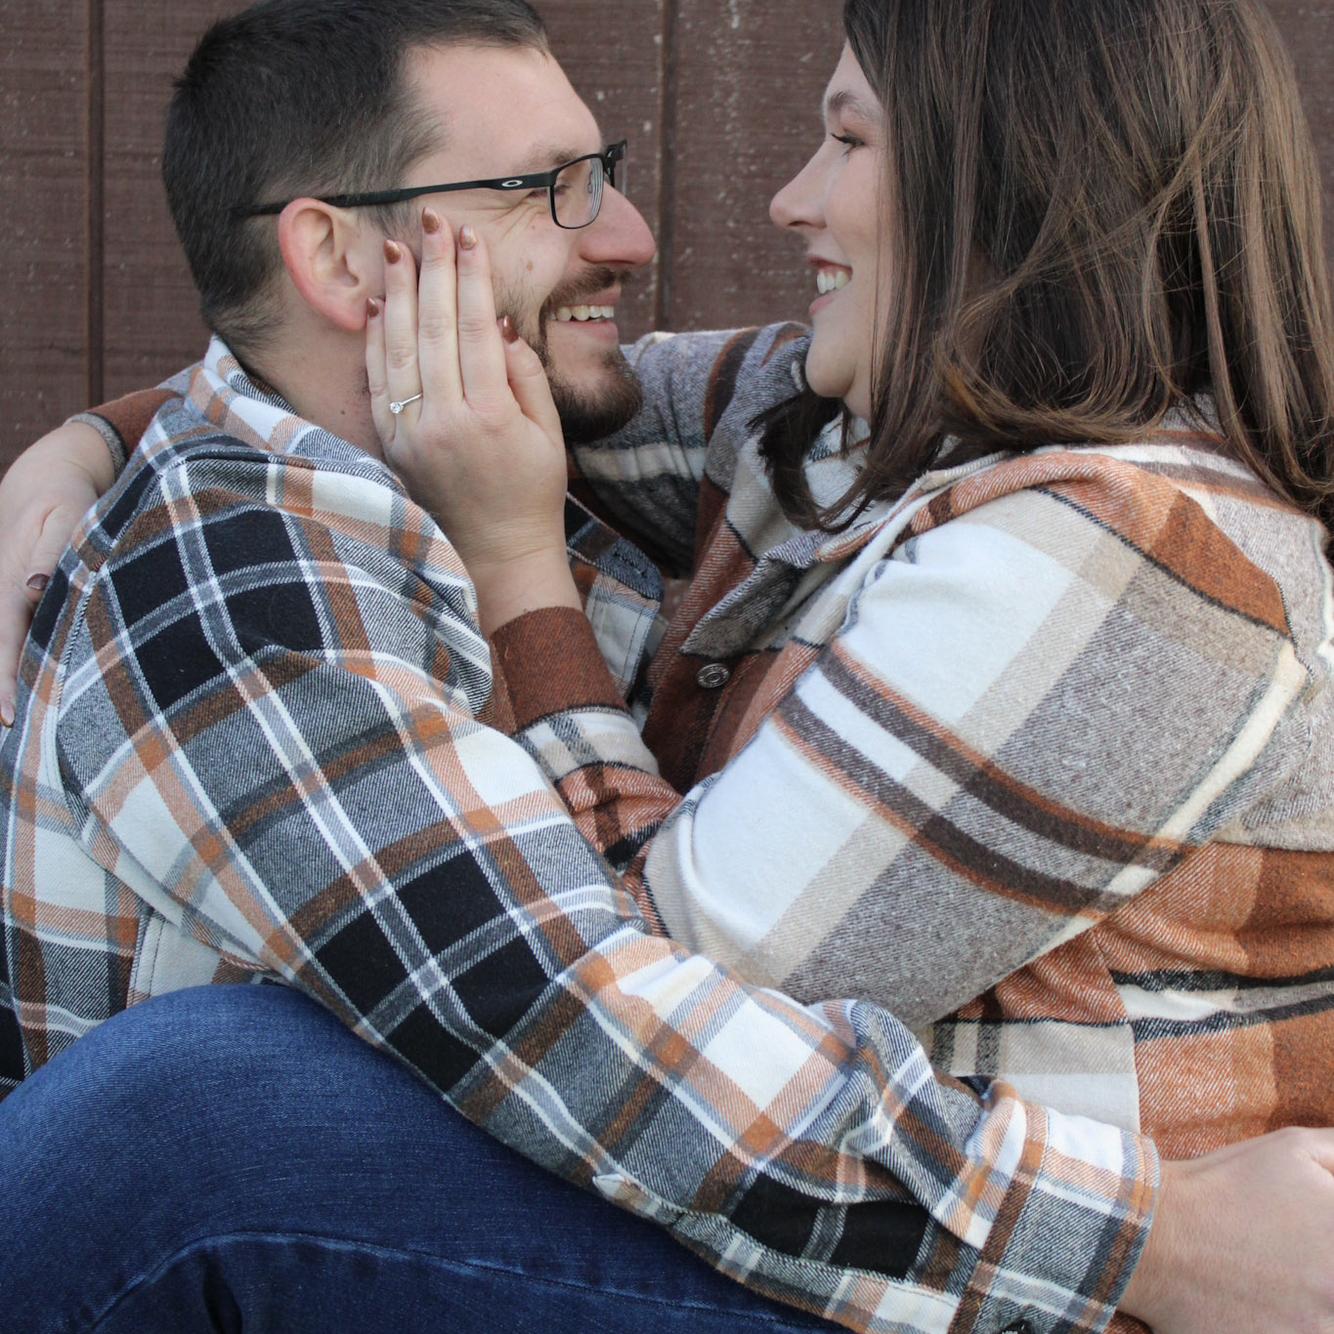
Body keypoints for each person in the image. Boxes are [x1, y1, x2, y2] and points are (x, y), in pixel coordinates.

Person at [0, 0, 1331, 1331]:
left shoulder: (1121, 551)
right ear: (347, 264)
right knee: (188, 1109)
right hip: (929, 1247)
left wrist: (516, 560)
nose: (657, 232)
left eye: (847, 143)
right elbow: (626, 1042)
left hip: (1018, 1283)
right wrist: (97, 438)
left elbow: (653, 1010)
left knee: (190, 1106)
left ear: (1012, 181)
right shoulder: (850, 435)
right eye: (553, 191)